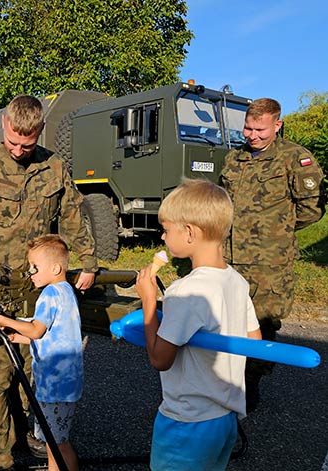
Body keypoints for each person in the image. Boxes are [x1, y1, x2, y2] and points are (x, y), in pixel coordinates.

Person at [0, 94, 97, 471]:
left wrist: (89, 261)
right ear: (4, 124)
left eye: (26, 144)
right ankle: (1, 460)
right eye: (13, 141)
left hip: (38, 294)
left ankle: (36, 438)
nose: (18, 149)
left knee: (35, 375)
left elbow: (74, 216)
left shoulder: (54, 167)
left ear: (40, 131)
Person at [135, 178, 261, 471]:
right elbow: (253, 340)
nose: (164, 238)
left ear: (190, 232)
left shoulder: (186, 291)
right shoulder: (236, 281)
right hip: (223, 419)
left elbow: (160, 359)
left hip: (186, 422)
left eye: (166, 230)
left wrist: (149, 302)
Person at [220, 98, 325, 412]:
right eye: (248, 127)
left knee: (263, 324)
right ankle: (226, 381)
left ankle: (251, 385)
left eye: (260, 129)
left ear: (277, 125)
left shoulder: (295, 157)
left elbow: (312, 209)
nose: (252, 135)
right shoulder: (233, 158)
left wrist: (277, 230)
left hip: (270, 262)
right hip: (230, 257)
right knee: (227, 321)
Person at [0, 234, 83, 471]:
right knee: (57, 442)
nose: (30, 272)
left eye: (35, 267)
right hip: (66, 382)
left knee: (56, 445)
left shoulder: (50, 294)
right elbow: (50, 334)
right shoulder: (66, 291)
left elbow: (36, 330)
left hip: (53, 385)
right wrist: (13, 335)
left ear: (55, 268)